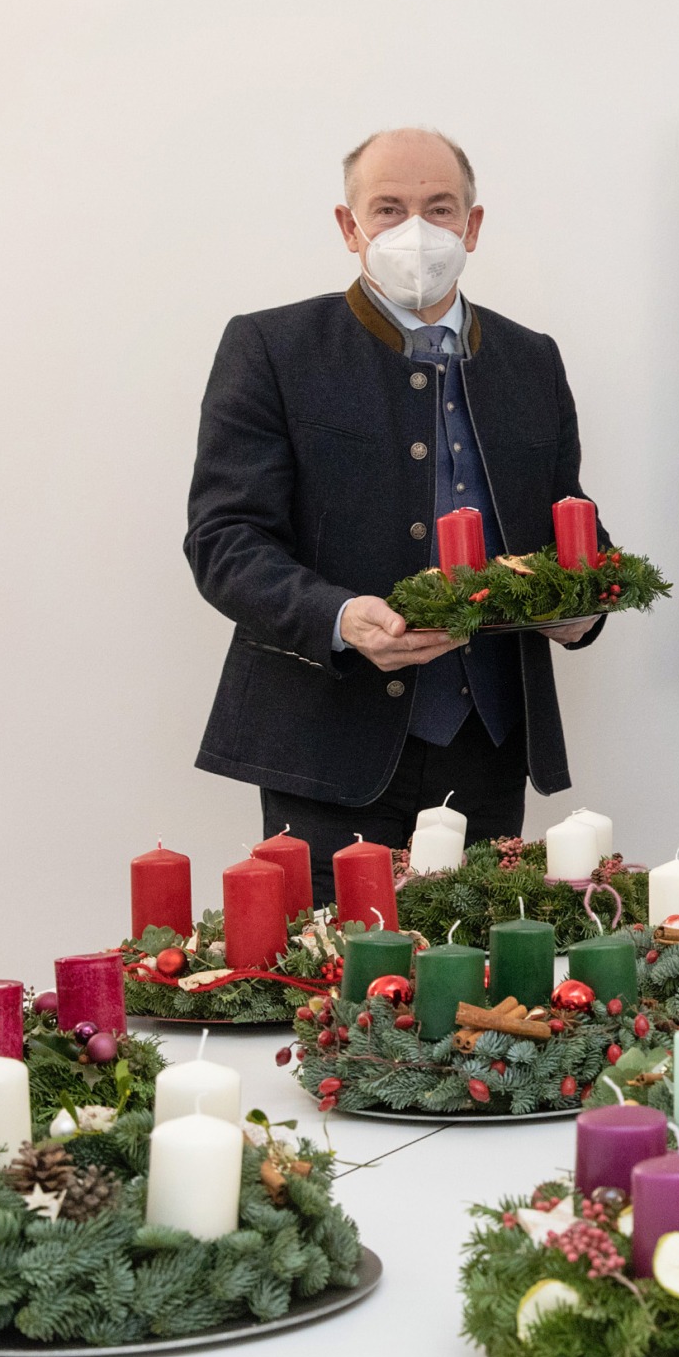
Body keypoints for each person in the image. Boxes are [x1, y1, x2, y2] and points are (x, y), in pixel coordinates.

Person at [185, 128, 602, 901]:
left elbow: (569, 524)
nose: (418, 230)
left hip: (489, 746)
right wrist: (341, 617)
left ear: (473, 226)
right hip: (326, 746)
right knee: (335, 999)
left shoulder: (532, 359)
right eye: (389, 209)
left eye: (440, 208)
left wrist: (583, 606)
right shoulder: (271, 348)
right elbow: (223, 540)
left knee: (478, 992)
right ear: (350, 228)